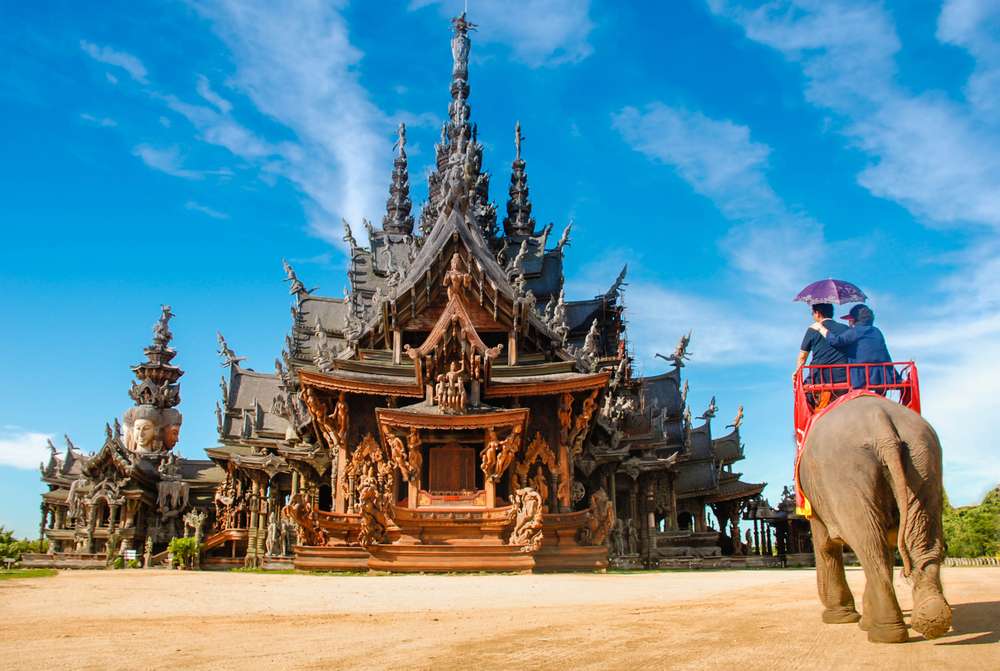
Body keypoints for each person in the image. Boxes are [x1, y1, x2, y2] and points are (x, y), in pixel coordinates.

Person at [810, 304, 894, 390]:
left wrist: (821, 328)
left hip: (862, 376)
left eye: (850, 319)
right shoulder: (877, 331)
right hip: (884, 375)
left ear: (854, 320)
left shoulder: (856, 331)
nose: (848, 322)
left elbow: (836, 341)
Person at [795, 303, 849, 408]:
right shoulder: (845, 328)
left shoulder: (812, 329)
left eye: (812, 313)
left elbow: (802, 357)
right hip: (844, 377)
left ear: (817, 313)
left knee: (805, 401)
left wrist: (796, 374)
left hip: (820, 378)